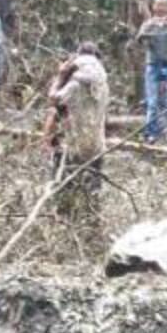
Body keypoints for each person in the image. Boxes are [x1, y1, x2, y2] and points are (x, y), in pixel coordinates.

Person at [45, 42, 109, 213]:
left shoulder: (74, 85)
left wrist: (60, 77)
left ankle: (64, 215)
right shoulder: (103, 84)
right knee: (92, 193)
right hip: (97, 146)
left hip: (71, 147)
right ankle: (92, 220)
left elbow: (53, 99)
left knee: (64, 191)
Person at [135, 0, 167, 142]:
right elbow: (139, 39)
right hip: (153, 65)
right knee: (152, 101)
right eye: (158, 5)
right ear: (153, 7)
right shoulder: (148, 23)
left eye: (164, 5)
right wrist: (148, 30)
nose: (161, 8)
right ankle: (152, 134)